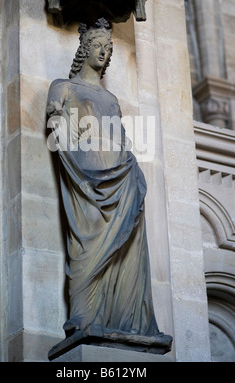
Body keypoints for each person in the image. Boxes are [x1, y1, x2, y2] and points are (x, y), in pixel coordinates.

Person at [46, 18, 159, 341]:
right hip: (84, 176)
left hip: (122, 176)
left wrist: (132, 168)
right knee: (87, 240)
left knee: (128, 248)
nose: (104, 51)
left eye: (108, 48)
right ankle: (82, 318)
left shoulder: (111, 99)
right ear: (84, 49)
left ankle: (128, 323)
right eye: (97, 45)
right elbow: (56, 127)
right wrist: (62, 127)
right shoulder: (63, 87)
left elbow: (119, 137)